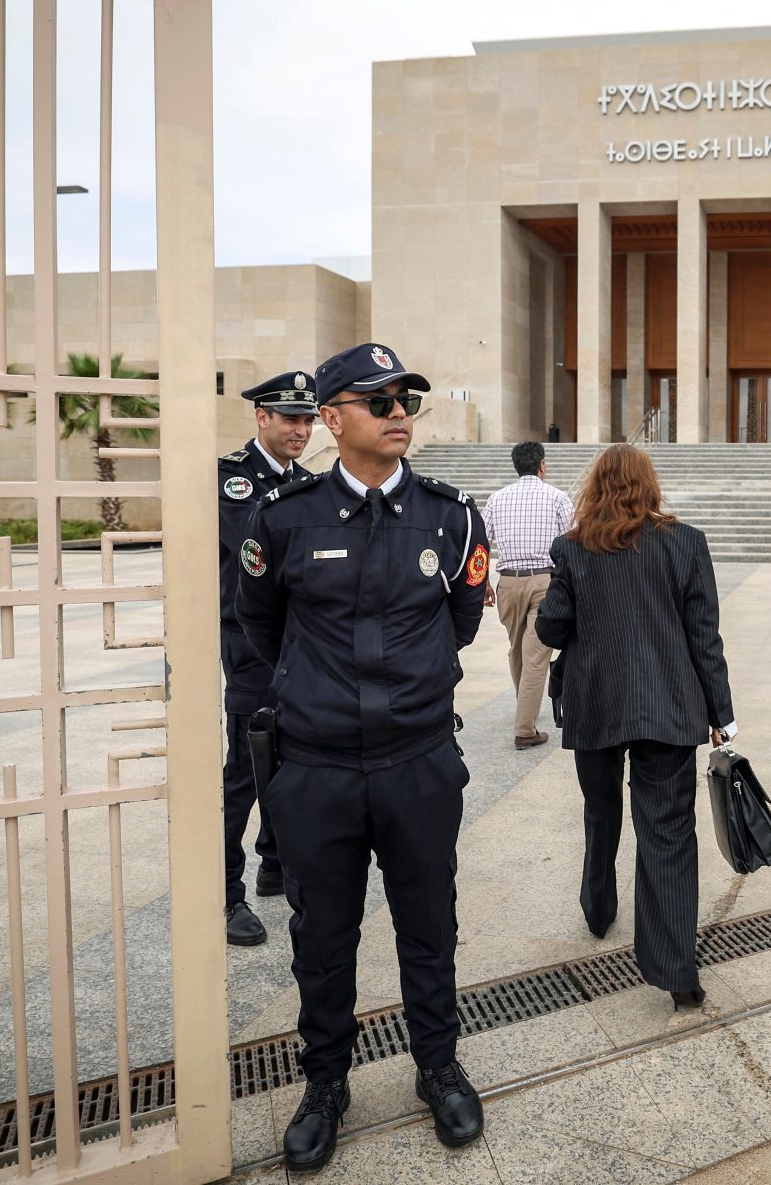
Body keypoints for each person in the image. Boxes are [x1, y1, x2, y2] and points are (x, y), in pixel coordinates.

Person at [235, 343, 493, 1171]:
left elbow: (462, 621)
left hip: (417, 761)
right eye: (377, 401)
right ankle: (324, 1082)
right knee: (323, 935)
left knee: (429, 923)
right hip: (318, 771)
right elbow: (260, 626)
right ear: (333, 418)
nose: (397, 414)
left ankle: (438, 1065)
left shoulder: (453, 517)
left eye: (405, 400)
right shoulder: (282, 519)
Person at [534, 444, 735, 1012]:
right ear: (650, 485)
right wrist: (722, 714)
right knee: (668, 832)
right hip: (668, 706)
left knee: (600, 812)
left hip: (595, 704)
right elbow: (705, 637)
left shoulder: (572, 549)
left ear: (594, 486)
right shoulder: (686, 542)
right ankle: (677, 974)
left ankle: (598, 908)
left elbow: (552, 629)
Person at [217, 370, 316, 947]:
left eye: (307, 419)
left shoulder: (307, 482)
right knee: (247, 769)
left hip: (298, 642)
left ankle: (274, 862)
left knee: (293, 751)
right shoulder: (234, 480)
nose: (301, 429)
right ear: (261, 418)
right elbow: (262, 553)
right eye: (289, 418)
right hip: (253, 646)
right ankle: (226, 895)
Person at [482, 440, 573, 749]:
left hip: (507, 583)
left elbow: (481, 544)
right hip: (544, 582)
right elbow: (570, 542)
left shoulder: (497, 499)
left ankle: (526, 706)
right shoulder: (558, 498)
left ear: (515, 466)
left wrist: (481, 582)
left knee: (518, 649)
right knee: (535, 656)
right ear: (542, 465)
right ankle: (524, 730)